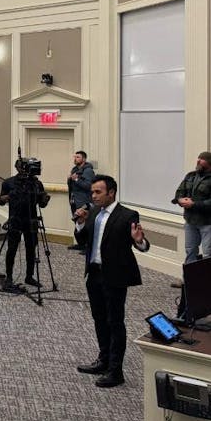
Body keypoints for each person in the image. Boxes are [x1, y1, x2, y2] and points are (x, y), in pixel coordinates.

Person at [74, 175, 149, 388]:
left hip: (115, 276)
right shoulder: (93, 212)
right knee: (99, 319)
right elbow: (83, 240)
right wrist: (80, 223)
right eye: (92, 192)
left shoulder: (127, 215)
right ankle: (103, 360)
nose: (93, 196)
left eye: (98, 192)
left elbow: (142, 244)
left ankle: (116, 371)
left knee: (115, 322)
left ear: (111, 192)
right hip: (94, 274)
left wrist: (139, 241)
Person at [0, 159, 51, 290]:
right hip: (15, 220)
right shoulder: (8, 182)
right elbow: (0, 201)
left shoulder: (36, 183)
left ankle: (29, 276)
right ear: (17, 168)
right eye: (22, 167)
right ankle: (9, 277)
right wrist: (9, 196)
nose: (24, 170)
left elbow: (42, 205)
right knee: (12, 249)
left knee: (31, 249)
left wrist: (45, 199)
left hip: (31, 220)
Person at [173, 151, 211, 264]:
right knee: (190, 251)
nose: (198, 161)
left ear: (210, 163)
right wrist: (180, 200)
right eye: (198, 158)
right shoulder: (190, 176)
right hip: (190, 221)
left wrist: (193, 204)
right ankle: (191, 276)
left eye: (202, 159)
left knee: (208, 254)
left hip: (208, 223)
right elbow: (179, 192)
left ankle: (207, 276)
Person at [68, 150, 96, 251]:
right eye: (75, 157)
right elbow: (72, 186)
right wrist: (70, 179)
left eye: (78, 157)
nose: (75, 159)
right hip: (74, 201)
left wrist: (76, 179)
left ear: (84, 159)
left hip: (84, 201)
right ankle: (81, 244)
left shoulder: (88, 171)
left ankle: (88, 246)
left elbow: (89, 186)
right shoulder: (74, 169)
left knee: (86, 223)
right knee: (77, 222)